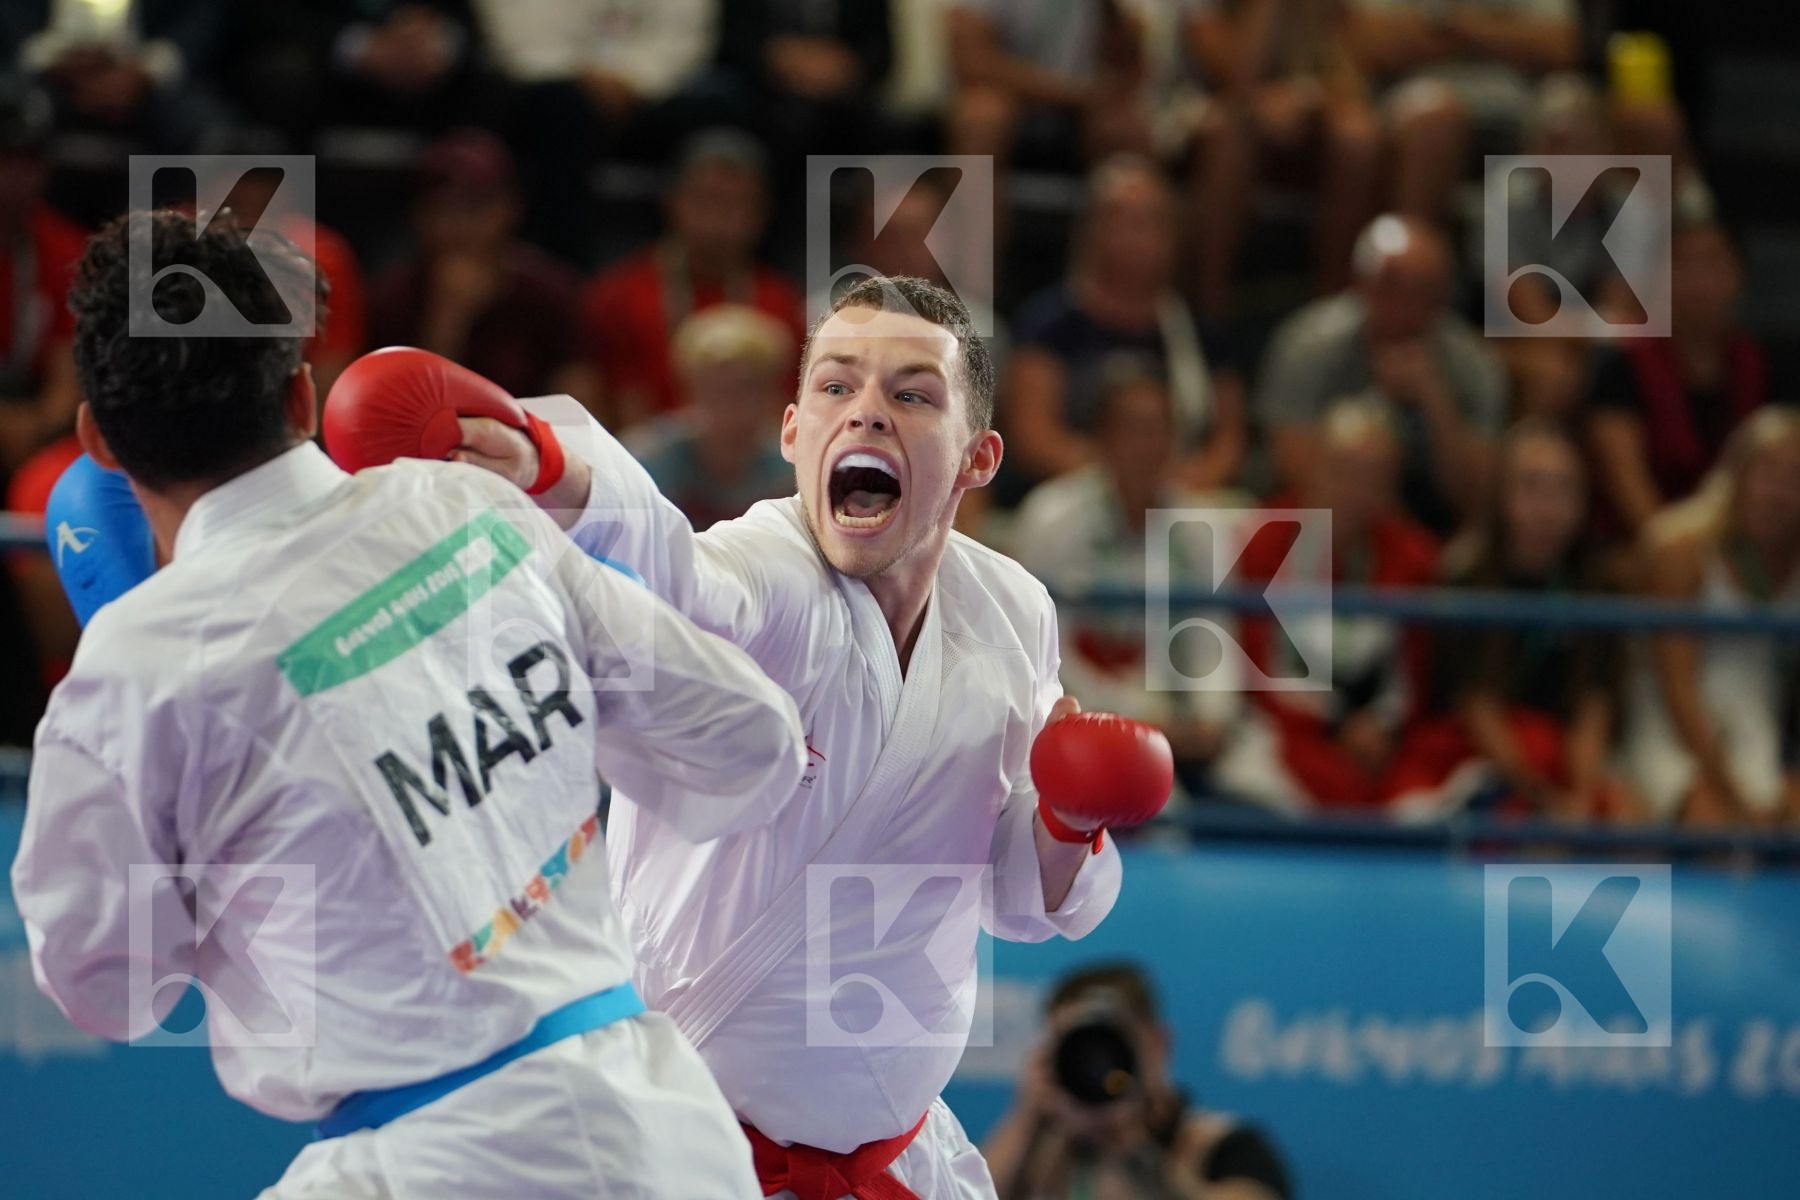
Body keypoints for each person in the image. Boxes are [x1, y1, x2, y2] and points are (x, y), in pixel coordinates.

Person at [10, 210, 809, 1197]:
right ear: (303, 393)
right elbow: (754, 744)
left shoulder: (137, 667)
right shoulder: (470, 508)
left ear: (97, 437)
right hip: (667, 1130)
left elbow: (109, 991)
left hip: (428, 1165)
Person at [408, 275, 1149, 1197]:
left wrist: (1071, 824)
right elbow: (672, 570)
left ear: (978, 457)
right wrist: (553, 470)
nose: (867, 413)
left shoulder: (1012, 614)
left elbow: (1013, 897)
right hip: (667, 1157)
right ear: (794, 432)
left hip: (891, 1161)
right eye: (838, 386)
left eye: (912, 394)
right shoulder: (767, 573)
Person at [1012, 362, 1246, 805]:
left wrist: (1213, 717)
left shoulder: (1201, 527)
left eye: (1161, 430)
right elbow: (1043, 650)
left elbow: (1213, 635)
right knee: (1159, 808)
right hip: (1075, 715)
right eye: (1133, 429)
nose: (1148, 446)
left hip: (1180, 721)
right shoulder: (1050, 519)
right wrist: (1138, 715)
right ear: (1101, 438)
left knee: (1256, 798)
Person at [1213, 397, 1440, 814]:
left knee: (1421, 806)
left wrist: (1380, 726)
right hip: (1285, 731)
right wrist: (1336, 725)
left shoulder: (1413, 556)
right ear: (1315, 470)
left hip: (1382, 742)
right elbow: (1258, 667)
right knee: (1250, 781)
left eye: (1373, 477)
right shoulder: (1265, 540)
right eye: (1344, 473)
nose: (1356, 491)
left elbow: (1414, 672)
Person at [1410, 420, 1638, 822]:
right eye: (1531, 486)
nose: (1547, 507)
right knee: (1531, 834)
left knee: (1629, 820)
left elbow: (1593, 703)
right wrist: (1540, 797)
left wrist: (1581, 795)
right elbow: (1475, 704)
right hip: (1475, 756)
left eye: (1563, 489)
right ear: (1500, 495)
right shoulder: (1463, 580)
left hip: (1562, 756)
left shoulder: (1597, 586)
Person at [1001, 156, 1245, 509]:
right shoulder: (1048, 325)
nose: (1141, 238)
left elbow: (1228, 443)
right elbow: (1034, 437)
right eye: (1126, 221)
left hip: (1178, 497)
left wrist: (1187, 479)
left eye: (1154, 223)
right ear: (1092, 230)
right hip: (1078, 500)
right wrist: (1123, 479)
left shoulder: (1201, 335)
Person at [1256, 213, 1504, 535]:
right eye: (1391, 288)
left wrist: (1436, 400)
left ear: (1444, 296)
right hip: (1328, 523)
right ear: (1360, 284)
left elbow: (1476, 496)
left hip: (1437, 528)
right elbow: (1296, 469)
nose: (1404, 307)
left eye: (1422, 292)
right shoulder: (1308, 346)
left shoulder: (1472, 364)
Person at [1619, 407, 1800, 827]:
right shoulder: (1680, 551)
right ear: (1737, 473)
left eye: (1795, 476)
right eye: (1768, 471)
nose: (1780, 490)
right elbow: (1677, 686)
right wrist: (1728, 791)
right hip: (1672, 727)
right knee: (1711, 825)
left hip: (1758, 727)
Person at [985, 962, 1292, 1200]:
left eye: (1112, 1045)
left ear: (1159, 1045)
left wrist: (1131, 1149)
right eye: (1076, 1047)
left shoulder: (1222, 1146)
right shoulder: (1038, 1154)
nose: (1097, 1064)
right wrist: (1026, 1117)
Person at [579, 129, 806, 429]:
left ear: (761, 215)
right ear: (672, 202)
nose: (720, 216)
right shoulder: (617, 297)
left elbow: (787, 410)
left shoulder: (782, 303)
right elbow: (609, 409)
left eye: (738, 203)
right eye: (706, 198)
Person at [368, 128, 600, 409]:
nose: (459, 225)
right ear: (420, 216)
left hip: (531, 443)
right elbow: (389, 412)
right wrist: (447, 322)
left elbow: (579, 409)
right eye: (443, 208)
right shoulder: (393, 297)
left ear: (511, 209)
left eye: (475, 207)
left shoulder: (550, 293)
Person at [1182, 0, 1381, 318]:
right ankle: (1209, 318)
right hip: (1217, 110)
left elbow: (1352, 73)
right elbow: (1233, 78)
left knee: (1357, 140)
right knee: (1227, 140)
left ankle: (1331, 313)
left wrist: (1308, 95)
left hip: (1311, 108)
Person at [1587, 221, 1769, 540]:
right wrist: (1681, 553)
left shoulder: (1768, 368)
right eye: (1683, 265)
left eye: (1714, 263)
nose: (1700, 281)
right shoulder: (1621, 370)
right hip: (1645, 550)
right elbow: (1628, 488)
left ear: (1740, 276)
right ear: (1657, 280)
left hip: (1747, 552)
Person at [1347, 0, 1581, 224]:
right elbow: (1372, 39)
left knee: (1570, 123)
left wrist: (1447, 26)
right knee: (1434, 118)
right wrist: (1501, 36)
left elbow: (1560, 44)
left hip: (1516, 112)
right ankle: (1414, 258)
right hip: (1415, 111)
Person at [624, 304, 798, 530]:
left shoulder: (794, 469)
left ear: (773, 393)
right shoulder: (645, 462)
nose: (732, 404)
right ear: (690, 391)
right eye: (718, 390)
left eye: (749, 389)